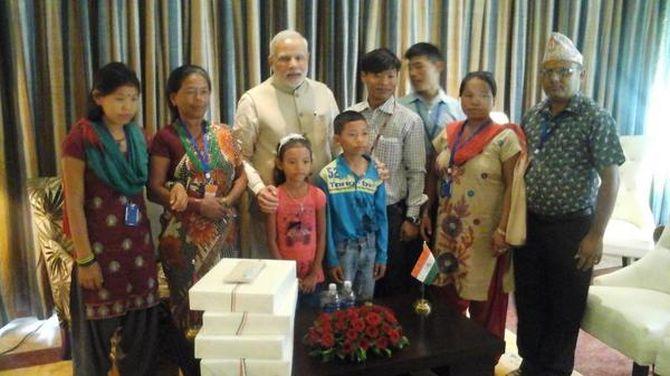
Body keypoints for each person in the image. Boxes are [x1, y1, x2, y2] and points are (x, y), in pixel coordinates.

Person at [62, 62, 187, 375]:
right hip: (99, 253)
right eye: (119, 98)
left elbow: (154, 184)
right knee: (95, 337)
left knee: (141, 333)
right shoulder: (80, 140)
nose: (127, 106)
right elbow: (73, 203)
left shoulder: (140, 138)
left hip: (137, 251)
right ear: (98, 97)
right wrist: (85, 259)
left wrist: (178, 187)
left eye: (133, 98)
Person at [510, 32, 624, 376]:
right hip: (530, 223)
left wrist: (596, 235)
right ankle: (529, 364)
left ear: (581, 75)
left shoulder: (595, 118)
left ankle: (555, 370)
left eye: (565, 71)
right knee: (529, 298)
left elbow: (611, 179)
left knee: (565, 304)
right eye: (549, 72)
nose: (556, 79)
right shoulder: (533, 114)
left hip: (572, 228)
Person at [148, 65, 247, 372]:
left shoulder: (224, 133)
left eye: (203, 91)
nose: (198, 98)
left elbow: (242, 174)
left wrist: (228, 201)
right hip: (183, 242)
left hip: (225, 234)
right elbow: (154, 188)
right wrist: (196, 205)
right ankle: (192, 369)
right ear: (173, 97)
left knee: (225, 305)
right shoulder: (165, 138)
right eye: (190, 92)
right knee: (189, 312)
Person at [420, 71, 526, 341]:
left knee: (485, 307)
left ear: (494, 99)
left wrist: (504, 229)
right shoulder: (449, 133)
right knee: (444, 298)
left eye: (484, 95)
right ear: (460, 98)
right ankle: (445, 360)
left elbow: (514, 188)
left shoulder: (505, 138)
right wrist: (426, 210)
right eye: (469, 94)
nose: (475, 100)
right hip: (447, 233)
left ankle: (481, 364)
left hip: (486, 237)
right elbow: (432, 173)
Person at [233, 29, 340, 259]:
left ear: (308, 58)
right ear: (271, 61)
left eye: (299, 57)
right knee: (272, 279)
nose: (293, 64)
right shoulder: (253, 99)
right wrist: (260, 190)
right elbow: (239, 156)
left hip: (319, 206)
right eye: (284, 58)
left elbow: (339, 146)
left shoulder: (324, 93)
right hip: (271, 210)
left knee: (317, 277)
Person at [348, 48, 426, 298]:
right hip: (354, 211)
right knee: (356, 278)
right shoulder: (350, 115)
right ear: (364, 77)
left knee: (392, 282)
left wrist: (412, 218)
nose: (384, 83)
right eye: (377, 75)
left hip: (391, 213)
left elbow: (417, 172)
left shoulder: (409, 120)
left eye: (391, 76)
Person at [316, 111, 388, 301]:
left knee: (367, 300)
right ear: (338, 139)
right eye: (352, 134)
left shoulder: (377, 171)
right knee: (342, 300)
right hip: (342, 248)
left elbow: (382, 216)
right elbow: (326, 222)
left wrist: (382, 254)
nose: (360, 140)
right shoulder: (328, 175)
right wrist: (331, 258)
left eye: (364, 133)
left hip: (370, 246)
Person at [266, 134, 326, 307]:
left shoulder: (318, 196)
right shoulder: (274, 196)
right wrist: (287, 275)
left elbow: (322, 236)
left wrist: (314, 272)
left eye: (305, 162)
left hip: (314, 276)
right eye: (292, 162)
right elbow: (271, 240)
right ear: (280, 164)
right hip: (285, 276)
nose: (299, 167)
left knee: (313, 322)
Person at [399, 42, 466, 156]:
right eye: (410, 68)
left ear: (438, 66)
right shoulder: (399, 107)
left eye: (419, 66)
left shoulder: (458, 109)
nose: (413, 73)